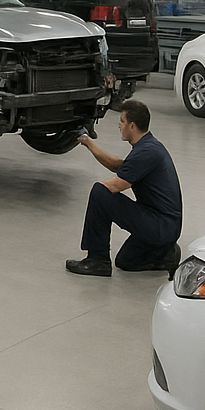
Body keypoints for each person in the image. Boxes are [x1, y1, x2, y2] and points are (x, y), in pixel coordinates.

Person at [65, 98, 183, 277]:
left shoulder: (146, 152)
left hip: (160, 225)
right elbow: (116, 165)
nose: (119, 125)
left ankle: (97, 260)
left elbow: (118, 185)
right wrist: (87, 141)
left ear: (132, 125)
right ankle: (165, 254)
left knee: (100, 192)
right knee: (126, 260)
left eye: (122, 121)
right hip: (163, 226)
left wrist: (98, 196)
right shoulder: (148, 146)